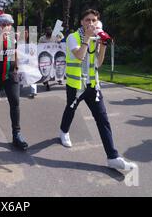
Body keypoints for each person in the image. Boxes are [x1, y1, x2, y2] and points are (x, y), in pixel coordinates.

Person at [58, 9, 137, 171]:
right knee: (70, 110)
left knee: (103, 119)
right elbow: (79, 56)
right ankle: (64, 131)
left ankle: (113, 157)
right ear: (81, 22)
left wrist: (103, 45)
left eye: (94, 20)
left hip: (93, 86)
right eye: (87, 20)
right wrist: (87, 38)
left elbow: (98, 64)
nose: (91, 23)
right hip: (76, 86)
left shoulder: (96, 38)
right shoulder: (73, 38)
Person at [0, 14, 28, 151]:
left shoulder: (12, 36)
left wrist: (16, 66)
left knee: (15, 102)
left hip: (10, 74)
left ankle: (16, 134)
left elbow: (14, 51)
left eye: (9, 25)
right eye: (3, 25)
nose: (7, 27)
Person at [39, 26, 60, 91]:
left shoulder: (54, 38)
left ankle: (59, 79)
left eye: (50, 30)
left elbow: (59, 44)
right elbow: (39, 47)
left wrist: (59, 42)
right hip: (45, 57)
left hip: (53, 55)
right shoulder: (42, 39)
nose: (49, 32)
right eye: (48, 30)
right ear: (45, 32)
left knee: (53, 68)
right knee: (46, 68)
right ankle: (47, 83)